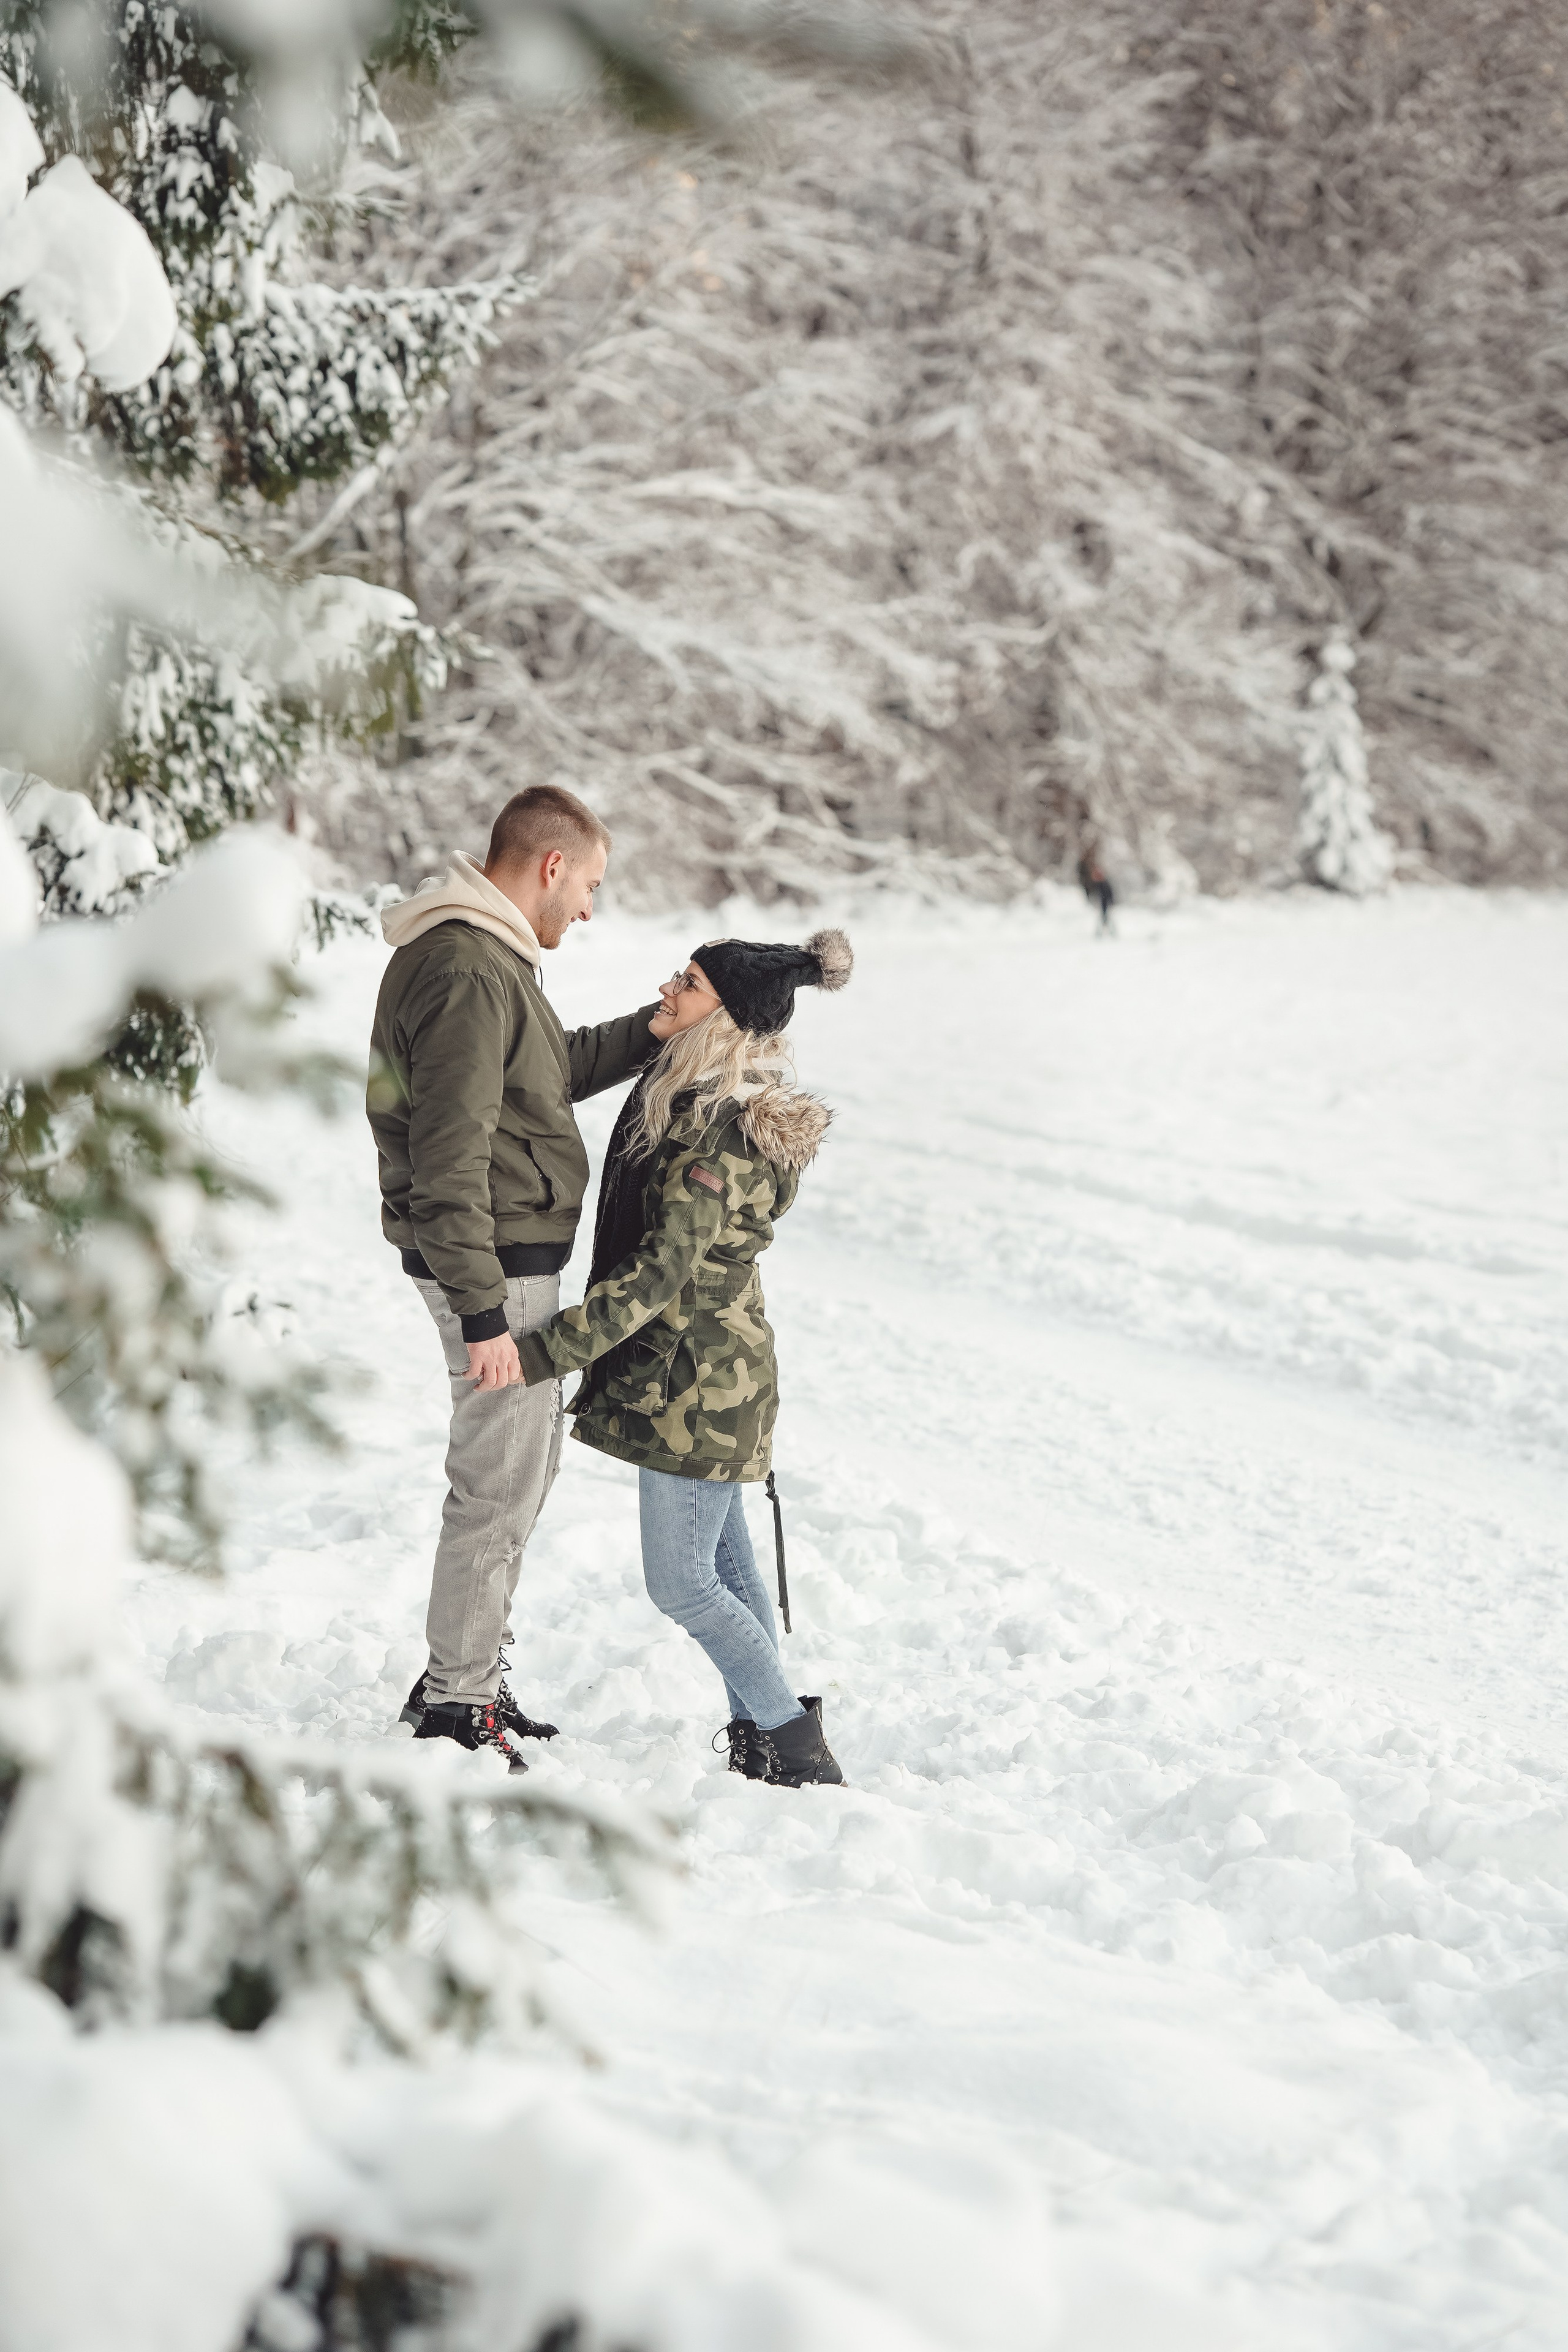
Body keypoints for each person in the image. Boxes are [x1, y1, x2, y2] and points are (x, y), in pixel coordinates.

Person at [513, 928, 854, 1788]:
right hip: (701, 1375)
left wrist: (547, 1352)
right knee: (731, 1571)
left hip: (698, 1384)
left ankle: (790, 1741)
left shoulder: (718, 1131)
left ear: (728, 1015)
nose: (669, 988)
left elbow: (659, 1274)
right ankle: (761, 1737)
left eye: (690, 983)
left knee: (681, 1583)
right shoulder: (694, 1100)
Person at [366, 784, 659, 1770]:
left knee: (519, 1472)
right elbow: (447, 1154)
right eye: (588, 885)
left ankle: (467, 1668)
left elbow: (544, 1073)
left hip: (498, 1260)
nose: (589, 908)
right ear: (549, 866)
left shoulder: (482, 956)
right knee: (499, 1482)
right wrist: (483, 1310)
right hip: (493, 1268)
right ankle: (457, 1701)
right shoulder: (465, 967)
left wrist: (655, 1030)